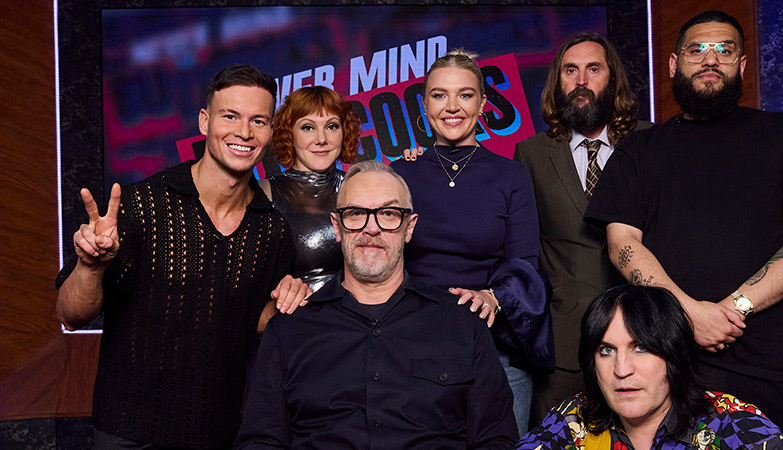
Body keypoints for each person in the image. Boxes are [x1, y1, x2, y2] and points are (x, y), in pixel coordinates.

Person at [586, 10, 783, 448]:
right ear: (673, 64)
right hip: (664, 366)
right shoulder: (639, 150)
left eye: (724, 50)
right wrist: (688, 314)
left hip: (769, 366)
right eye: (696, 49)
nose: (710, 59)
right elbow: (622, 242)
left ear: (742, 65)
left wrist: (735, 307)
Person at [55, 64, 309, 449]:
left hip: (216, 433)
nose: (244, 132)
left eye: (258, 120)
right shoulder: (143, 205)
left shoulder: (272, 230)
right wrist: (90, 266)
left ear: (271, 132)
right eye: (230, 116)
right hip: (128, 431)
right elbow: (71, 316)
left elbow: (251, 320)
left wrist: (291, 298)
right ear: (204, 121)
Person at [234, 161, 518, 449]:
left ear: (409, 228)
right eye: (356, 213)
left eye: (388, 213)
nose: (372, 229)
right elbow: (260, 440)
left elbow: (496, 440)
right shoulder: (290, 329)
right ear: (336, 226)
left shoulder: (462, 323)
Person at [391, 49, 553, 436]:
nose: (452, 106)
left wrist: (492, 296)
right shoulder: (398, 173)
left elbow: (525, 264)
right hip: (413, 344)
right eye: (439, 95)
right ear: (424, 103)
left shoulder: (511, 175)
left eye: (465, 95)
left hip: (493, 345)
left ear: (482, 103)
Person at [512, 32, 651, 427]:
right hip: (562, 339)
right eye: (570, 71)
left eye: (593, 69)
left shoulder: (650, 140)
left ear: (613, 79)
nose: (581, 81)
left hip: (644, 334)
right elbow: (525, 247)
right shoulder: (532, 153)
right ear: (558, 82)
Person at [517, 285, 783, 450]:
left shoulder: (737, 426)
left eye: (641, 348)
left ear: (674, 355)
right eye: (607, 350)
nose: (621, 370)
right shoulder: (573, 417)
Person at [258, 86, 360, 293]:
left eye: (332, 126)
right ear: (289, 134)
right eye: (308, 128)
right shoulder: (264, 193)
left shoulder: (361, 186)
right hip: (300, 320)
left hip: (365, 317)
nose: (321, 139)